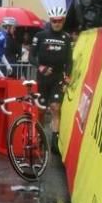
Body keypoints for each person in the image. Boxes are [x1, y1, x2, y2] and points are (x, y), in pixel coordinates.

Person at [31, 9, 73, 151]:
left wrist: (67, 76)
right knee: (41, 110)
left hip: (57, 78)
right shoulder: (40, 35)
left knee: (56, 108)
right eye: (54, 21)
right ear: (50, 21)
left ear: (63, 21)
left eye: (59, 21)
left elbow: (69, 61)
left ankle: (55, 140)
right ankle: (41, 137)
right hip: (42, 78)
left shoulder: (66, 38)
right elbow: (31, 57)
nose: (56, 24)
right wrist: (41, 67)